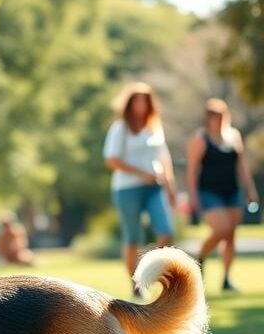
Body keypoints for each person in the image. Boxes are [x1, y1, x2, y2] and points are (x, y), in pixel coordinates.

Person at [103, 82, 177, 298]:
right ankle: (135, 284)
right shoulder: (120, 128)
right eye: (137, 101)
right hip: (127, 188)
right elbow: (112, 160)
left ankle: (149, 271)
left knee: (166, 232)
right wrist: (141, 174)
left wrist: (171, 187)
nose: (141, 105)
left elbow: (164, 158)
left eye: (145, 101)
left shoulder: (154, 126)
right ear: (130, 103)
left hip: (154, 187)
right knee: (133, 237)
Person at [186, 98, 260, 291]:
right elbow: (192, 170)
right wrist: (193, 196)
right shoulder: (200, 139)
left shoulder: (233, 136)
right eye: (213, 116)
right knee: (222, 228)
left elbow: (241, 165)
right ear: (207, 118)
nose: (217, 119)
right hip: (209, 192)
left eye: (220, 115)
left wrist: (250, 189)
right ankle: (200, 258)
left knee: (230, 235)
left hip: (232, 191)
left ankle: (226, 278)